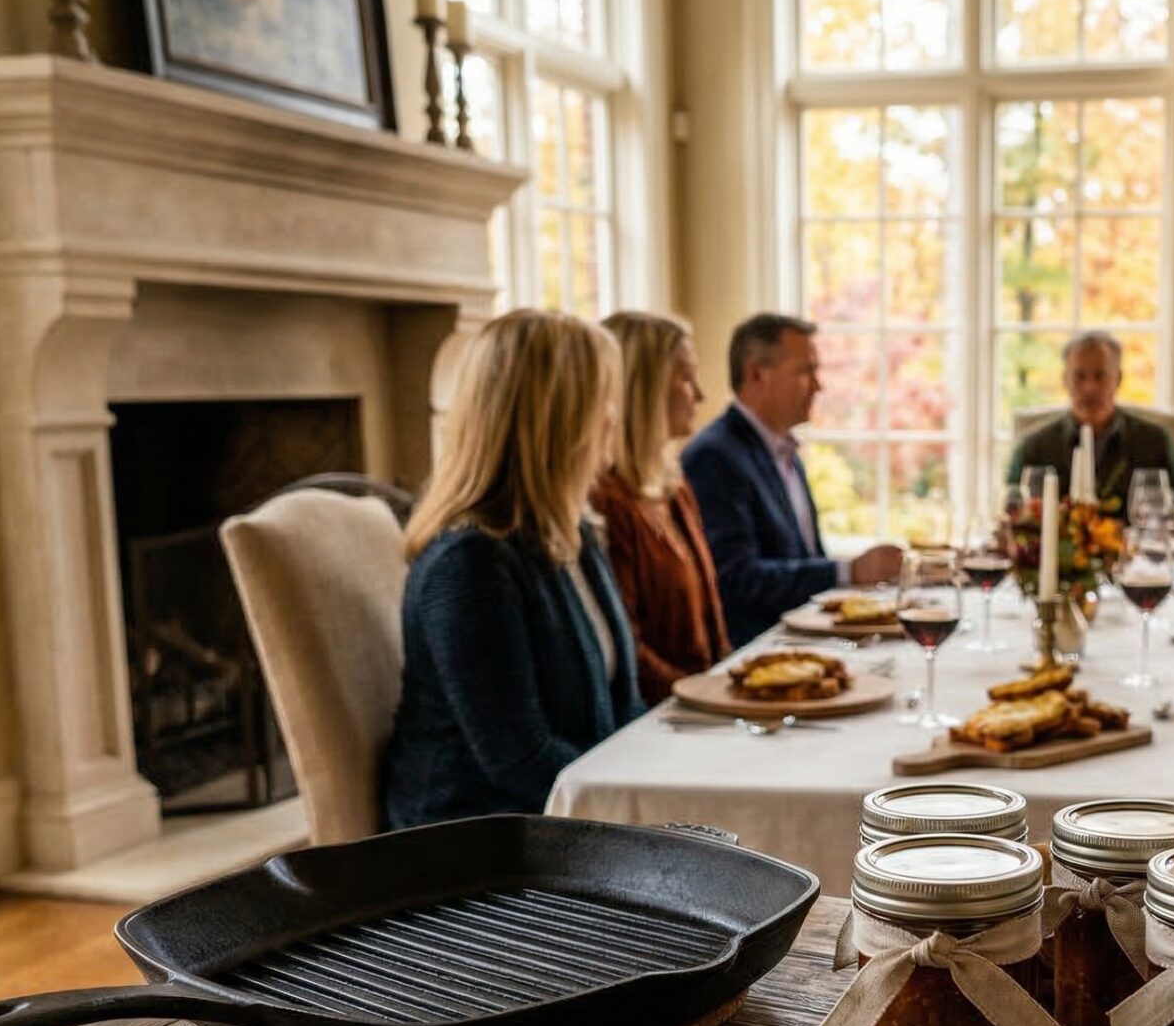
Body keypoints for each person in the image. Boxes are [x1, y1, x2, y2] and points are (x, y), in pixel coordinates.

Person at [380, 310, 643, 830]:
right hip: (472, 844)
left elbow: (621, 706)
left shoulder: (573, 533)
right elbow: (518, 760)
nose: (613, 416)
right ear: (557, 420)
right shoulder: (469, 563)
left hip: (561, 819)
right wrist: (640, 812)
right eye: (601, 400)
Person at [683, 313, 901, 644]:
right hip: (759, 655)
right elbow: (734, 578)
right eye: (805, 371)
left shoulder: (785, 451)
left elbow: (802, 559)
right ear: (757, 374)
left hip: (810, 640)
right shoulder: (715, 456)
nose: (818, 385)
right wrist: (848, 572)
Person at [590, 311, 729, 705]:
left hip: (706, 705)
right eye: (685, 378)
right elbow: (626, 648)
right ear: (641, 389)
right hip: (662, 717)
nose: (700, 394)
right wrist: (704, 697)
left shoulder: (674, 488)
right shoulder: (606, 503)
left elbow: (712, 627)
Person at [1002, 331, 1174, 530]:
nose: (1090, 388)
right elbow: (1010, 516)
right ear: (1065, 380)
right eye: (1079, 376)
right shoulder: (1034, 447)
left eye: (1100, 376)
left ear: (1118, 379)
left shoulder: (1156, 443)